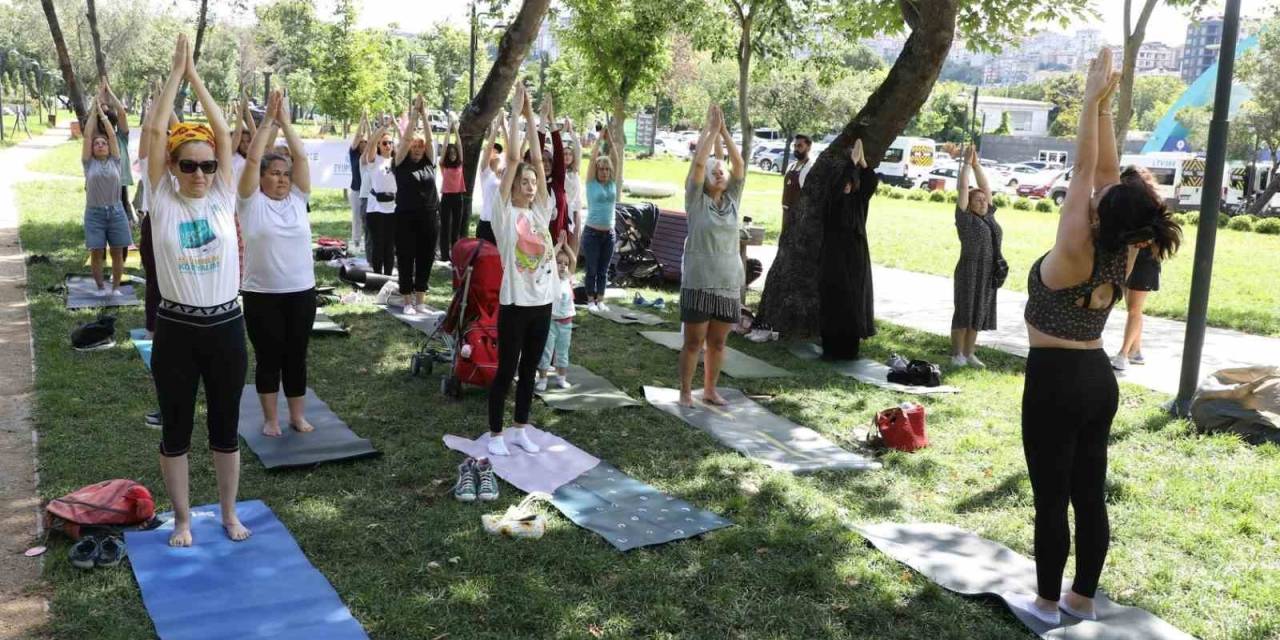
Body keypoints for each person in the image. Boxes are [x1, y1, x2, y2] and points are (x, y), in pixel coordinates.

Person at [1007, 48, 1181, 626]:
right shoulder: (1124, 244)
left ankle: (1047, 603)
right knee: (1089, 494)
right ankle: (1082, 598)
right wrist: (1103, 109)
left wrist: (1088, 101)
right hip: (1096, 379)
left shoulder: (1076, 248)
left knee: (1051, 498)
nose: (1100, 190)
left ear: (1104, 214)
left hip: (1055, 381)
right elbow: (1104, 176)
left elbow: (1086, 172)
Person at [145, 34, 253, 547]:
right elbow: (154, 129)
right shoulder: (162, 199)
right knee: (176, 430)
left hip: (227, 325)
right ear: (172, 167)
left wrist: (196, 78)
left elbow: (226, 139)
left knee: (226, 428)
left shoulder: (222, 193)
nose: (200, 173)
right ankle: (184, 518)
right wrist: (175, 74)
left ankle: (229, 513)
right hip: (178, 327)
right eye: (188, 164)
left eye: (207, 165)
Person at [237, 89, 316, 438]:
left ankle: (297, 416)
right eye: (275, 174)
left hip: (301, 291)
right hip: (262, 294)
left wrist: (286, 120)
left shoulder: (299, 199)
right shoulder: (250, 202)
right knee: (269, 357)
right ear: (262, 178)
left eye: (286, 174)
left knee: (296, 355)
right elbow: (253, 160)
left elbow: (301, 157)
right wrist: (268, 120)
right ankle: (270, 419)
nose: (282, 179)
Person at [486, 83, 557, 457]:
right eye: (524, 182)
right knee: (506, 369)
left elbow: (539, 163)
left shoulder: (540, 213)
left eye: (533, 183)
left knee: (529, 369)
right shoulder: (504, 214)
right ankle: (496, 432)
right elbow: (514, 160)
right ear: (513, 187)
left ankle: (520, 427)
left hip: (543, 302)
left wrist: (533, 118)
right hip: (515, 303)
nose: (530, 186)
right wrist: (516, 112)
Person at [678, 103, 746, 408]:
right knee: (694, 343)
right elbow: (698, 165)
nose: (719, 174)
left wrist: (726, 133)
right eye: (714, 172)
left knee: (717, 343)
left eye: (722, 172)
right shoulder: (695, 200)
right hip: (699, 282)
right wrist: (709, 131)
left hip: (728, 283)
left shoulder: (732, 200)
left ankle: (710, 389)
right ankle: (684, 392)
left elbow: (739, 165)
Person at [819, 139, 877, 361]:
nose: (846, 185)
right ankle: (831, 348)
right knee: (834, 301)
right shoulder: (832, 201)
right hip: (833, 258)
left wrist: (862, 162)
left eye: (849, 182)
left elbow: (871, 182)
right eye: (844, 182)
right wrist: (849, 165)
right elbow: (836, 189)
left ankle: (849, 349)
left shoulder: (858, 201)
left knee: (853, 302)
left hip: (855, 257)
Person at [951, 146, 1002, 368]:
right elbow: (963, 187)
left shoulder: (989, 216)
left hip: (989, 270)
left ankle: (969, 353)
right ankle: (957, 354)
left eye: (984, 200)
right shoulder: (965, 219)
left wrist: (976, 164)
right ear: (969, 204)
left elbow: (986, 186)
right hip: (969, 269)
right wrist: (965, 166)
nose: (983, 202)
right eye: (978, 200)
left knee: (979, 312)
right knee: (964, 310)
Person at [391, 95, 440, 314]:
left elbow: (430, 141)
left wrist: (425, 115)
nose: (418, 148)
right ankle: (407, 301)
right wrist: (414, 116)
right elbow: (405, 140)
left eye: (420, 146)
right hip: (405, 217)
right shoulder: (400, 163)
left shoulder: (429, 162)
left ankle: (420, 300)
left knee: (426, 256)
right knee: (406, 257)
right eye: (415, 146)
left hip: (429, 216)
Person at [81, 95, 129, 297]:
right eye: (96, 144)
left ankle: (116, 287)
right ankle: (100, 287)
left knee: (117, 251)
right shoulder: (88, 163)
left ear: (110, 147)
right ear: (92, 149)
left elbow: (111, 134)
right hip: (94, 214)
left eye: (104, 143)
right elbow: (87, 136)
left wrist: (104, 115)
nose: (100, 145)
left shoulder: (116, 161)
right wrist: (94, 111)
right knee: (96, 252)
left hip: (116, 212)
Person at [581, 124, 620, 312]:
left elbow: (616, 160)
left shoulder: (613, 183)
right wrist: (599, 140)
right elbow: (591, 160)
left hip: (609, 234)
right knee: (592, 268)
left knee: (604, 270)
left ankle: (601, 299)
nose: (604, 171)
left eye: (606, 169)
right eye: (601, 169)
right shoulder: (591, 183)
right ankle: (590, 300)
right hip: (592, 233)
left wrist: (610, 139)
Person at [535, 238, 576, 392]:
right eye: (559, 263)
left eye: (565, 264)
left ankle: (561, 378)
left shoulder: (569, 278)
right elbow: (548, 257)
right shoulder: (550, 277)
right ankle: (543, 378)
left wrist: (566, 246)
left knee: (563, 351)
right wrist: (558, 245)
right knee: (546, 351)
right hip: (550, 322)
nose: (563, 266)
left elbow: (574, 259)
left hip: (566, 323)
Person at [1112, 241, 1160, 370]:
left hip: (1144, 263)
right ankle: (1135, 352)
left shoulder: (1155, 224)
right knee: (1133, 308)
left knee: (1134, 309)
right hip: (1128, 259)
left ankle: (1123, 354)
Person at [363, 117, 398, 276]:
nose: (388, 146)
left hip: (392, 207)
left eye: (390, 143)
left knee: (390, 245)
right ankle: (377, 275)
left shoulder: (397, 161)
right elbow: (370, 144)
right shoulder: (374, 160)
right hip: (375, 207)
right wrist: (382, 128)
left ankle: (388, 275)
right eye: (384, 143)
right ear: (379, 145)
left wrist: (396, 125)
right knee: (378, 243)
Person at [97, 81, 134, 222]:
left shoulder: (121, 137)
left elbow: (122, 114)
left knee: (120, 215)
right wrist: (100, 97)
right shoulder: (98, 139)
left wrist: (109, 92)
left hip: (119, 182)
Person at [439, 117, 467, 261]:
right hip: (446, 198)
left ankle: (455, 254)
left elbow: (460, 146)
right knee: (445, 227)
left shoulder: (460, 165)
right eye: (450, 154)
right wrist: (447, 131)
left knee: (456, 228)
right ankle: (444, 255)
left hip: (457, 198)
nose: (452, 155)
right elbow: (443, 148)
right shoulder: (444, 166)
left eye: (454, 153)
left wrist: (454, 129)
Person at [475, 115, 504, 244]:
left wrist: (504, 127)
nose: (495, 153)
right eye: (493, 151)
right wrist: (496, 126)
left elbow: (514, 154)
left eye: (498, 151)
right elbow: (487, 149)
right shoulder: (486, 174)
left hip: (501, 224)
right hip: (486, 223)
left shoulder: (505, 175)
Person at [781, 134, 814, 235]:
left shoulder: (810, 168)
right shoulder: (791, 166)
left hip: (800, 217)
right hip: (786, 214)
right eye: (794, 146)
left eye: (799, 146)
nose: (796, 148)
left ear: (808, 147)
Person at [347, 112, 369, 254]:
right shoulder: (353, 154)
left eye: (365, 142)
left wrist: (368, 126)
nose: (363, 144)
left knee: (367, 218)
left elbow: (373, 139)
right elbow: (356, 138)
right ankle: (356, 241)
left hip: (368, 193)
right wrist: (362, 121)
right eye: (361, 142)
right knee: (356, 217)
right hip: (356, 191)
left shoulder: (372, 155)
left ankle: (368, 242)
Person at [563, 118, 585, 257]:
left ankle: (571, 267)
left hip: (575, 209)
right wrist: (563, 131)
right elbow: (555, 146)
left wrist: (571, 131)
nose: (567, 156)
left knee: (574, 239)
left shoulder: (574, 170)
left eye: (569, 154)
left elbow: (578, 148)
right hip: (563, 209)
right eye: (564, 153)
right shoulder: (559, 171)